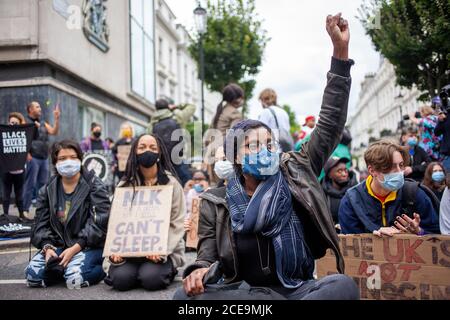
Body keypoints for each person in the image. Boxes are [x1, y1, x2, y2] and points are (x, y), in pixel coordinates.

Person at [174, 13, 359, 301]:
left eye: (269, 143)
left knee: (343, 286)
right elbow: (206, 256)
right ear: (236, 157)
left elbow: (331, 121)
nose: (265, 151)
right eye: (253, 146)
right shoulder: (214, 201)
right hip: (246, 293)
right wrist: (197, 272)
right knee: (183, 298)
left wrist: (340, 53)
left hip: (297, 288)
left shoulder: (296, 171)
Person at [104, 133, 185, 291]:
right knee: (120, 280)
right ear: (134, 152)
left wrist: (162, 249)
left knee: (151, 279)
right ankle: (135, 273)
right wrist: (115, 250)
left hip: (162, 252)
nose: (147, 150)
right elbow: (116, 220)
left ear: (159, 153)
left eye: (152, 147)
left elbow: (177, 223)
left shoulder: (172, 184)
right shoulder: (124, 186)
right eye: (142, 147)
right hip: (129, 253)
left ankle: (164, 269)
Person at [25, 140, 110, 288]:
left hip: (88, 246)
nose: (68, 162)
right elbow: (39, 225)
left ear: (80, 159)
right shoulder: (47, 189)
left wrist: (76, 248)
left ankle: (100, 268)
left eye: (73, 157)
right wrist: (47, 247)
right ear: (55, 162)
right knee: (33, 276)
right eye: (62, 159)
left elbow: (100, 223)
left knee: (74, 279)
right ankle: (64, 268)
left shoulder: (95, 185)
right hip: (58, 245)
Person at [339, 140, 440, 236]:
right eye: (391, 167)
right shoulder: (351, 201)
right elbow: (350, 245)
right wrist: (373, 238)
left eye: (401, 165)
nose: (399, 171)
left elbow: (438, 236)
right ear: (372, 170)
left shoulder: (415, 193)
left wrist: (419, 232)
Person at [23, 101, 60, 219]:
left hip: (44, 157)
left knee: (43, 185)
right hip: (33, 157)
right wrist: (26, 153)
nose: (40, 109)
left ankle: (41, 211)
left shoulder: (43, 123)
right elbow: (23, 138)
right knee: (30, 184)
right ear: (30, 109)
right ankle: (24, 209)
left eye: (40, 107)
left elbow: (54, 131)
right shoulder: (26, 122)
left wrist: (56, 119)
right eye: (37, 107)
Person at [148, 98, 194, 186]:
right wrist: (176, 106)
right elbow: (192, 107)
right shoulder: (177, 117)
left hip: (161, 161)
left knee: (165, 186)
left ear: (156, 108)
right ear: (168, 107)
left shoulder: (152, 123)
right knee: (187, 184)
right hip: (178, 158)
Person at [1, 113, 32, 220]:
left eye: (16, 123)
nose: (13, 124)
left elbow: (31, 141)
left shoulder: (24, 134)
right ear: (8, 123)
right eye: (11, 122)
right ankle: (5, 215)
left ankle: (21, 215)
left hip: (20, 171)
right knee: (6, 195)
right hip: (6, 170)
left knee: (20, 195)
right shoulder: (3, 134)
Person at [321, 156, 358, 228]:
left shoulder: (356, 191)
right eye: (339, 171)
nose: (344, 174)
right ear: (329, 175)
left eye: (345, 170)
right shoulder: (322, 194)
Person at [184, 170, 209, 237]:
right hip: (190, 226)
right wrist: (186, 190)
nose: (197, 181)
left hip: (205, 225)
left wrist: (206, 189)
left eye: (200, 179)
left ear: (206, 180)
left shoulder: (210, 191)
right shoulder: (190, 191)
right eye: (195, 179)